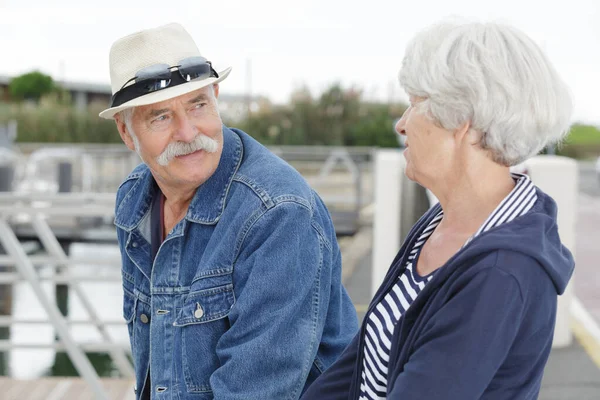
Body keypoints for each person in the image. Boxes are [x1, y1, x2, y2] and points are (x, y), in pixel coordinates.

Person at [302, 19, 575, 400]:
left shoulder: (501, 273)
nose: (401, 124)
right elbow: (359, 365)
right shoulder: (444, 221)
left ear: (461, 119)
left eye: (414, 104)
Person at [99, 22, 358, 399]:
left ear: (216, 96)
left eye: (198, 105)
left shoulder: (278, 213)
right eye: (161, 117)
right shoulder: (135, 200)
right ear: (126, 133)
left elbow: (255, 391)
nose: (188, 133)